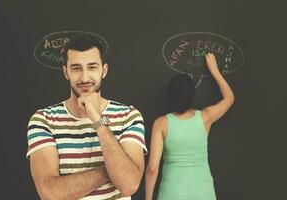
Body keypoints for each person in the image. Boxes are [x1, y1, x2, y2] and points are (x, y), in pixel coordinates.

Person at [26, 35, 147, 200]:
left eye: (92, 67)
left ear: (104, 70)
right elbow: (50, 193)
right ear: (66, 72)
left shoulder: (128, 116)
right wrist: (111, 170)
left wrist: (98, 120)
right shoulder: (44, 120)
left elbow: (129, 185)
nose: (84, 77)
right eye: (76, 68)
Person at [145, 53, 235, 200]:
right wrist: (214, 70)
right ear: (193, 95)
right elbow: (229, 98)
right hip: (204, 193)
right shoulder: (205, 117)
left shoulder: (161, 123)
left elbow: (152, 169)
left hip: (172, 193)